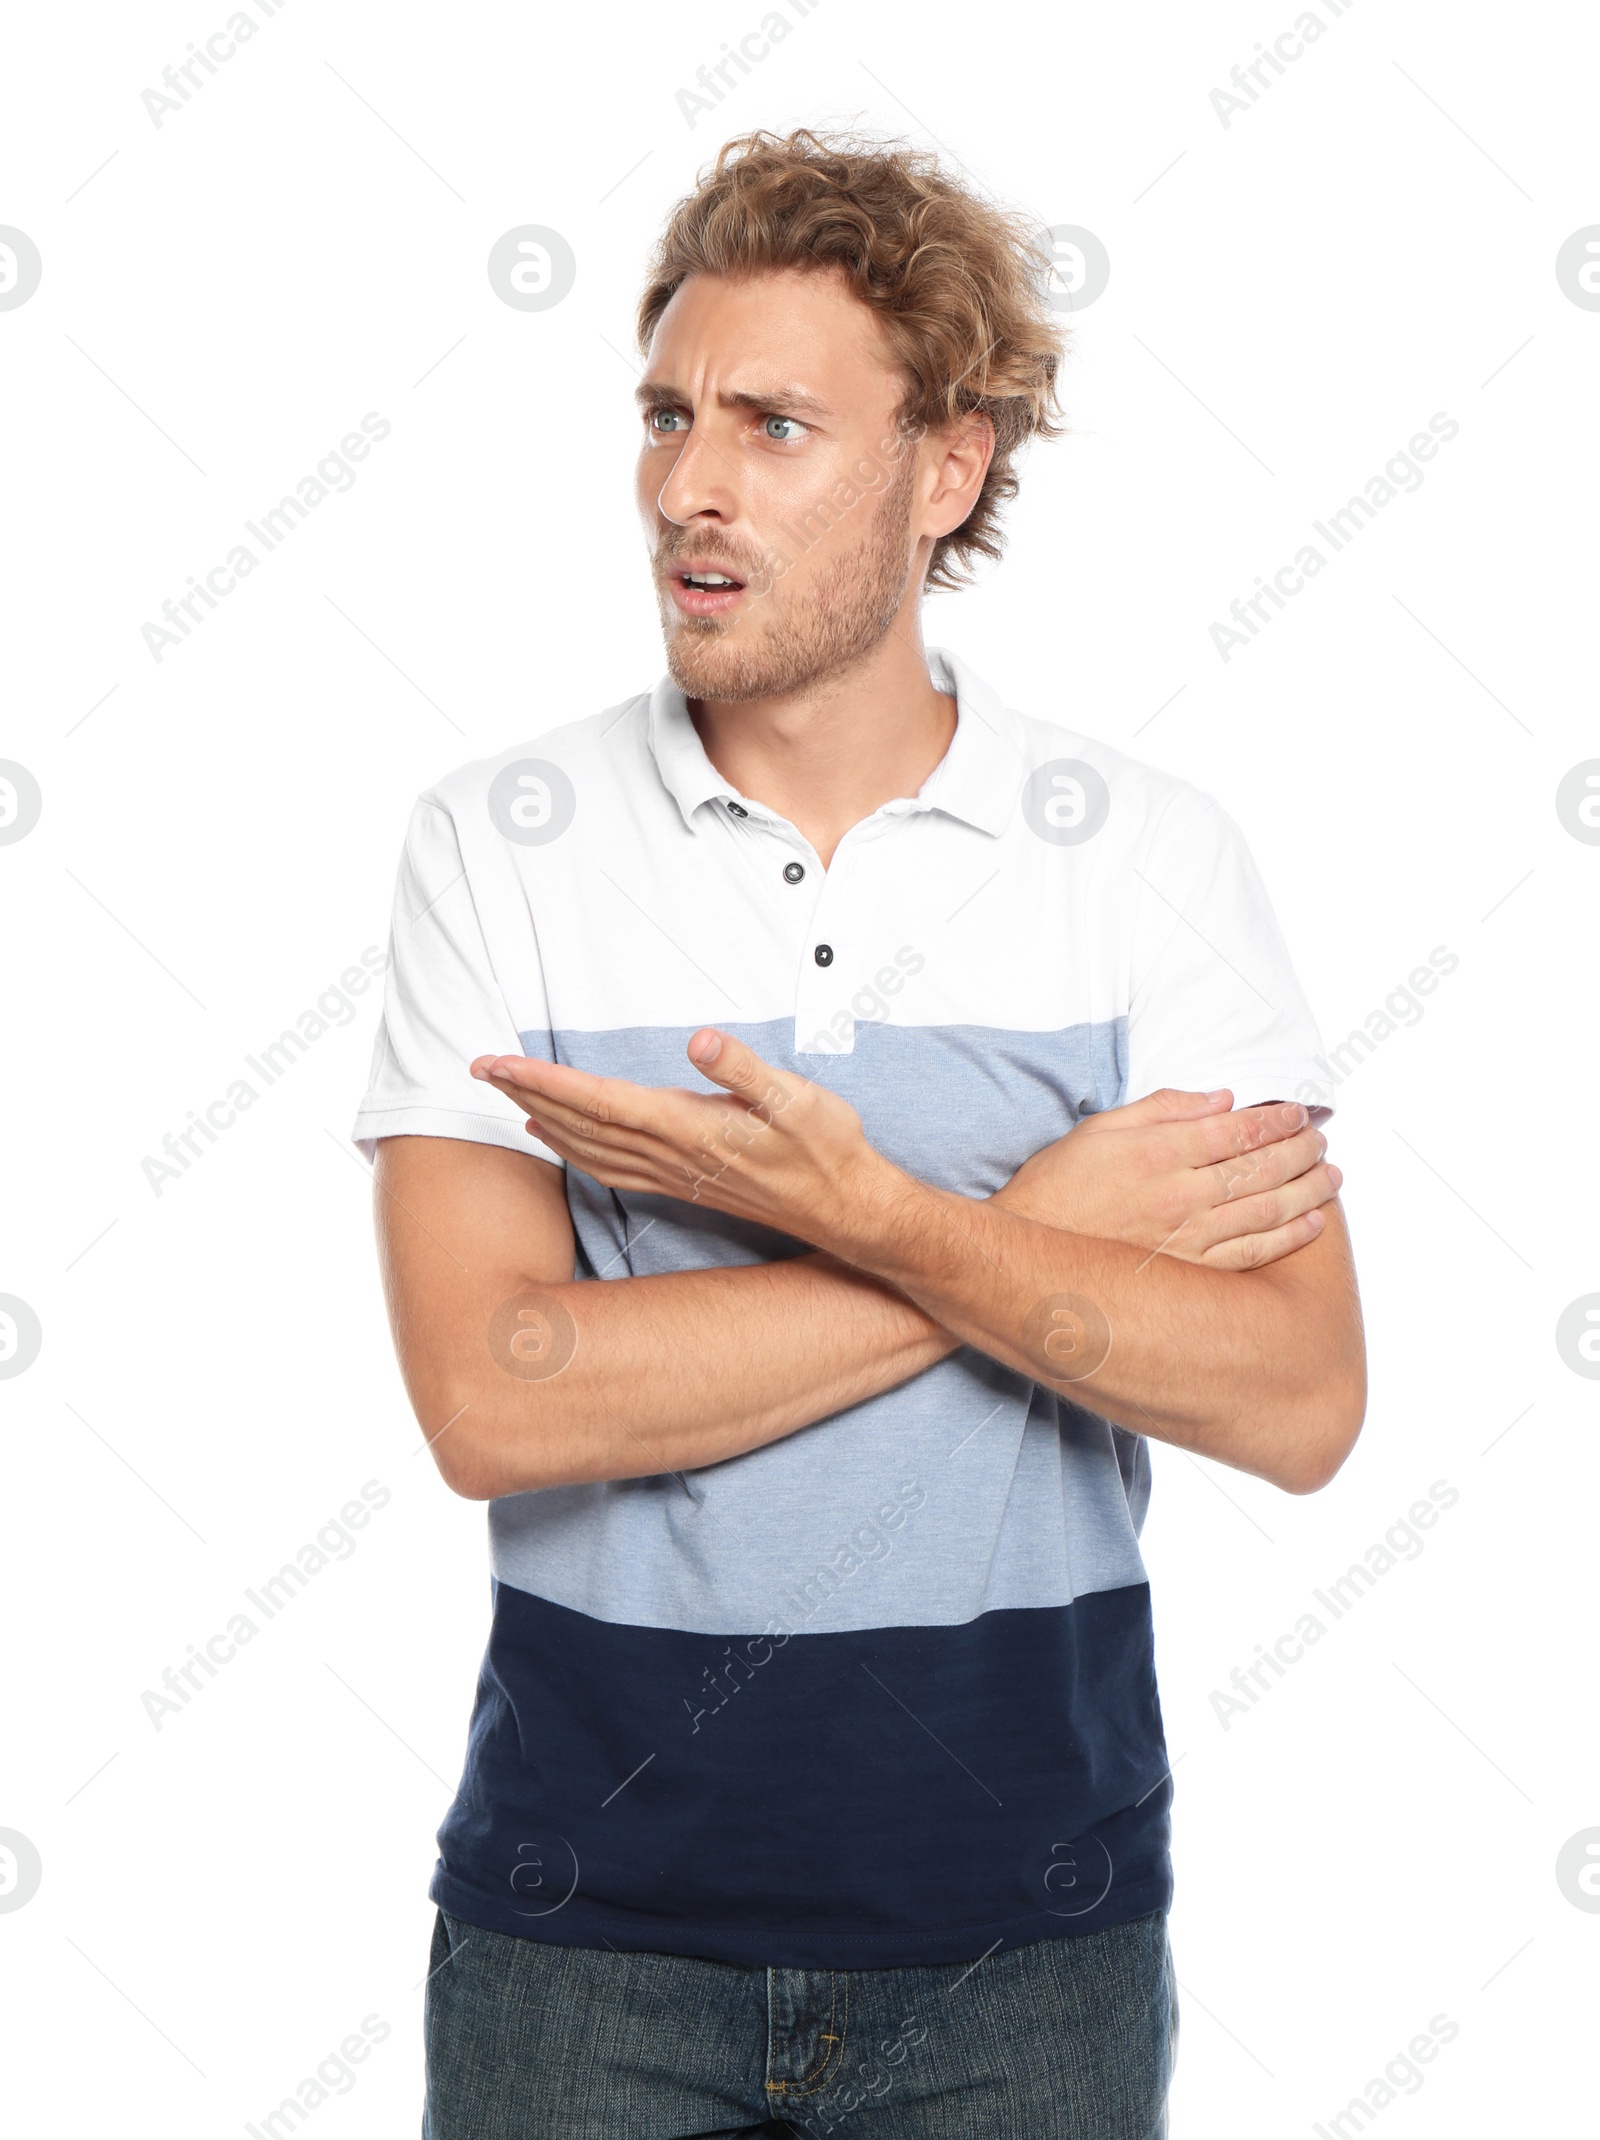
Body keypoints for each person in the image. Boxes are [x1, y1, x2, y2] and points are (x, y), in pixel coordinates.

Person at [353, 127, 1365, 2140]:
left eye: (772, 424)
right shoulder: (503, 842)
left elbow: (1293, 1399)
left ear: (945, 471)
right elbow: (496, 1391)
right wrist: (998, 1233)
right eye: (662, 416)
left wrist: (879, 1217)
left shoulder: (1146, 861)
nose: (682, 486)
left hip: (1026, 1949)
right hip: (584, 1948)